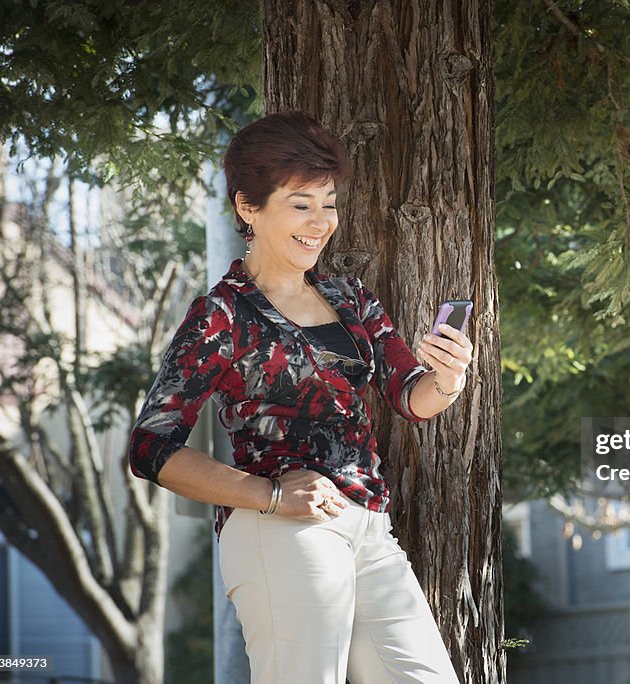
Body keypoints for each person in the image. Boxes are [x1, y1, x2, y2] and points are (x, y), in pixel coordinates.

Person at [129, 111, 471, 684]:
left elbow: (410, 396)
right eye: (300, 203)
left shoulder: (350, 298)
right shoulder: (221, 316)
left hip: (369, 525)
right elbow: (150, 447)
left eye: (329, 203)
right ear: (248, 207)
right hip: (282, 531)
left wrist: (449, 378)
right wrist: (266, 496)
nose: (320, 222)